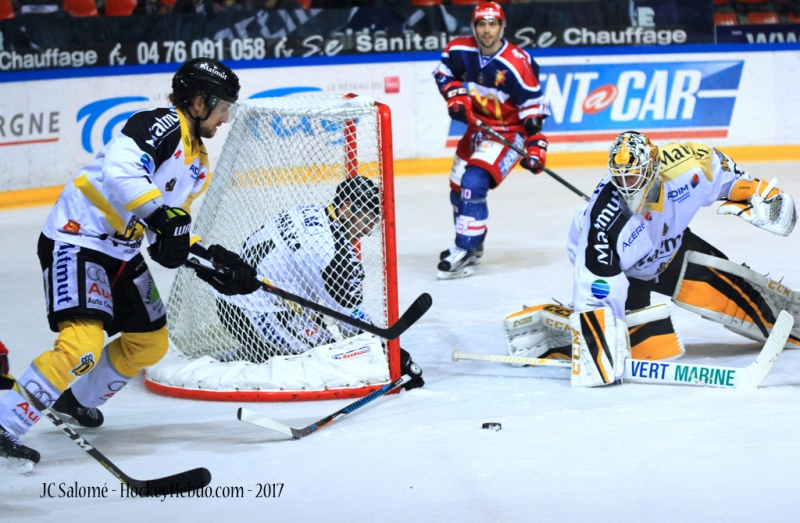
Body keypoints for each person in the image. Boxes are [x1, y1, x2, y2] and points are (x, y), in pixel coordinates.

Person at [0, 58, 261, 469]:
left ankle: (76, 399)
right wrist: (160, 219)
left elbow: (167, 230)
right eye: (223, 106)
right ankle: (5, 422)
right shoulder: (160, 124)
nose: (226, 117)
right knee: (82, 346)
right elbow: (121, 171)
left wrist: (212, 261)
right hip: (78, 238)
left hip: (121, 251)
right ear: (198, 102)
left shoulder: (197, 163)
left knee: (150, 343)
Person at [563, 131, 797, 387]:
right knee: (641, 347)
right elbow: (597, 286)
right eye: (619, 178)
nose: (626, 186)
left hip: (670, 248)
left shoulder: (687, 166)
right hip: (627, 275)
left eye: (632, 176)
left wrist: (760, 194)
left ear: (653, 166)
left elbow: (728, 177)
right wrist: (596, 338)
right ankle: (566, 332)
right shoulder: (603, 223)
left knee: (739, 296)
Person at [207, 175, 424, 390]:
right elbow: (352, 325)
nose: (367, 231)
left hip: (238, 299)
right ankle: (244, 361)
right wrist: (393, 355)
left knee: (325, 341)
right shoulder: (334, 254)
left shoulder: (308, 211)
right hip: (252, 312)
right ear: (347, 207)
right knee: (328, 361)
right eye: (367, 221)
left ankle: (256, 352)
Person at [432, 1, 550, 279]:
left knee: (473, 182)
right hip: (477, 131)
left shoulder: (517, 62)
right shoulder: (459, 50)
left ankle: (464, 248)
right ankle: (473, 246)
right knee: (458, 189)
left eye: (493, 24)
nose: (487, 30)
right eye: (482, 24)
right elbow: (443, 73)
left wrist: (536, 142)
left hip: (508, 132)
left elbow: (533, 106)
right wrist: (456, 96)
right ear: (473, 26)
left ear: (502, 26)